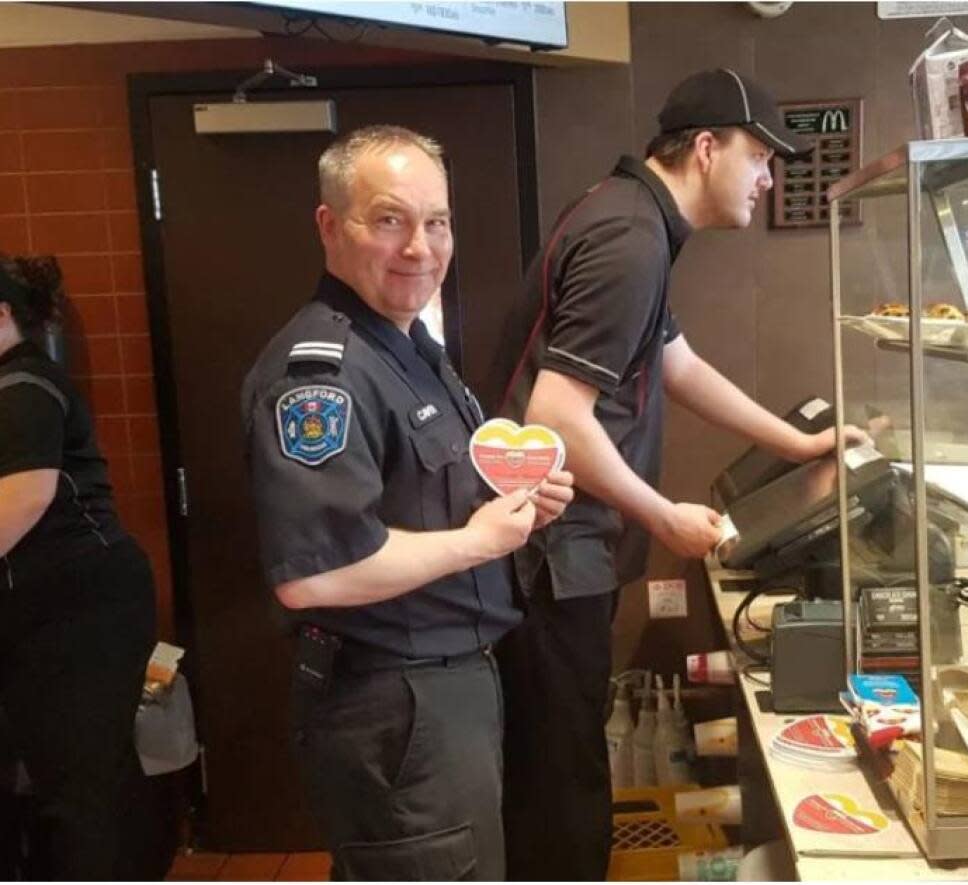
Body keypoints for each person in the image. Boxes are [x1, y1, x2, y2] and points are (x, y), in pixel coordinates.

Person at [495, 68, 866, 880]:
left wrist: (797, 443)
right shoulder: (629, 238)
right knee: (560, 780)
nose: (770, 179)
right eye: (761, 157)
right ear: (707, 148)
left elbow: (676, 363)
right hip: (547, 555)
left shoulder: (633, 220)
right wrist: (664, 515)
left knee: (560, 766)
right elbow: (556, 413)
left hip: (565, 548)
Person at [240, 125, 573, 881]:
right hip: (396, 702)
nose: (420, 247)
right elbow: (313, 576)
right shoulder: (319, 376)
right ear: (330, 225)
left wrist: (511, 503)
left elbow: (421, 499)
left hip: (448, 686)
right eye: (389, 220)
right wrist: (481, 541)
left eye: (438, 221)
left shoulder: (409, 346)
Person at [0, 253, 157, 880]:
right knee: (87, 776)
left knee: (80, 786)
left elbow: (25, 497)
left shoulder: (24, 388)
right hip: (58, 611)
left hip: (81, 613)